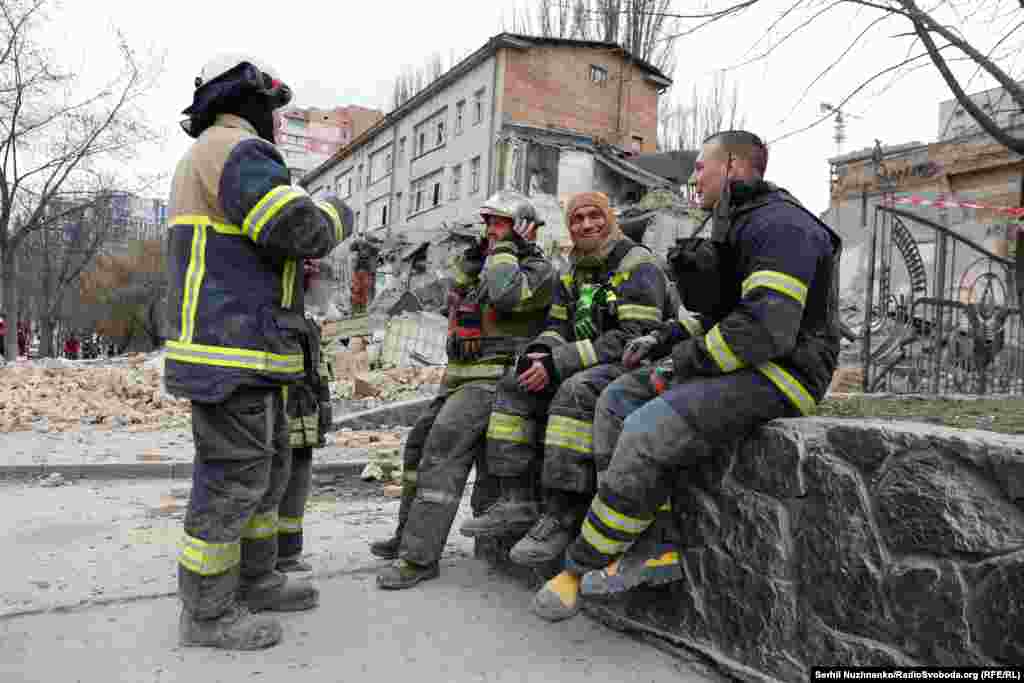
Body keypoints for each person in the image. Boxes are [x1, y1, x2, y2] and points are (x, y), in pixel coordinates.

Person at [530, 130, 843, 621]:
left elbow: (765, 330)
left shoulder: (782, 227)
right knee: (615, 399)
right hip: (743, 361)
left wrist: (681, 363)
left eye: (700, 167)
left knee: (645, 427)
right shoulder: (734, 224)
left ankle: (580, 565)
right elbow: (720, 315)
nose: (694, 178)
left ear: (735, 166)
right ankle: (652, 544)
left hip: (785, 373)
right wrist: (662, 339)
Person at [165, 54, 350, 650]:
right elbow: (301, 228)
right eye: (275, 110)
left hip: (249, 352)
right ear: (253, 102)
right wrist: (336, 211)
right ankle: (208, 613)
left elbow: (260, 247)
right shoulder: (236, 149)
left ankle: (257, 577)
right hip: (232, 352)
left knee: (263, 477)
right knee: (232, 484)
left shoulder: (211, 154)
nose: (278, 122)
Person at [460, 192, 672, 572]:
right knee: (514, 382)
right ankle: (516, 500)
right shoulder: (572, 270)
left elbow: (634, 337)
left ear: (610, 220)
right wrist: (540, 353)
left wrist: (559, 364)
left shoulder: (637, 264)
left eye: (595, 216)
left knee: (574, 393)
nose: (586, 225)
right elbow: (558, 326)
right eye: (577, 219)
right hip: (590, 360)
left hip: (640, 365)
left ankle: (561, 515)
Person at [372, 190, 556, 590]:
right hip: (457, 374)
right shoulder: (483, 264)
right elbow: (449, 301)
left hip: (493, 379)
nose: (491, 230)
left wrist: (505, 249)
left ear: (524, 228)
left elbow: (506, 295)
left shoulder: (537, 268)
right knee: (417, 448)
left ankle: (418, 559)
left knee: (442, 452)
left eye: (501, 224)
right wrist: (473, 266)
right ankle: (407, 535)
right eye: (488, 223)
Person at [275, 260, 341, 573]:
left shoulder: (309, 324)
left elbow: (319, 370)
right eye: (324, 285)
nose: (328, 292)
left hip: (306, 415)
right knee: (281, 481)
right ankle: (273, 555)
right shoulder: (290, 322)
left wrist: (325, 406)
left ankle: (288, 554)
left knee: (298, 483)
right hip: (288, 415)